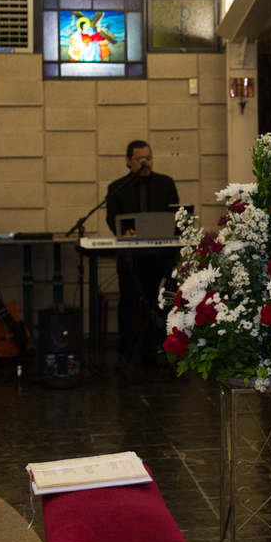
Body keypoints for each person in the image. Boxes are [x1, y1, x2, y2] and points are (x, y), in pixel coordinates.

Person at [106, 140, 179, 373]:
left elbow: (175, 216)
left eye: (149, 158)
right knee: (129, 303)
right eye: (140, 159)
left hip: (159, 257)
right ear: (128, 161)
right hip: (131, 256)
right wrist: (124, 231)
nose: (146, 163)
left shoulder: (165, 183)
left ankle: (153, 352)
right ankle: (125, 353)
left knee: (158, 303)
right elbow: (112, 218)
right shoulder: (116, 187)